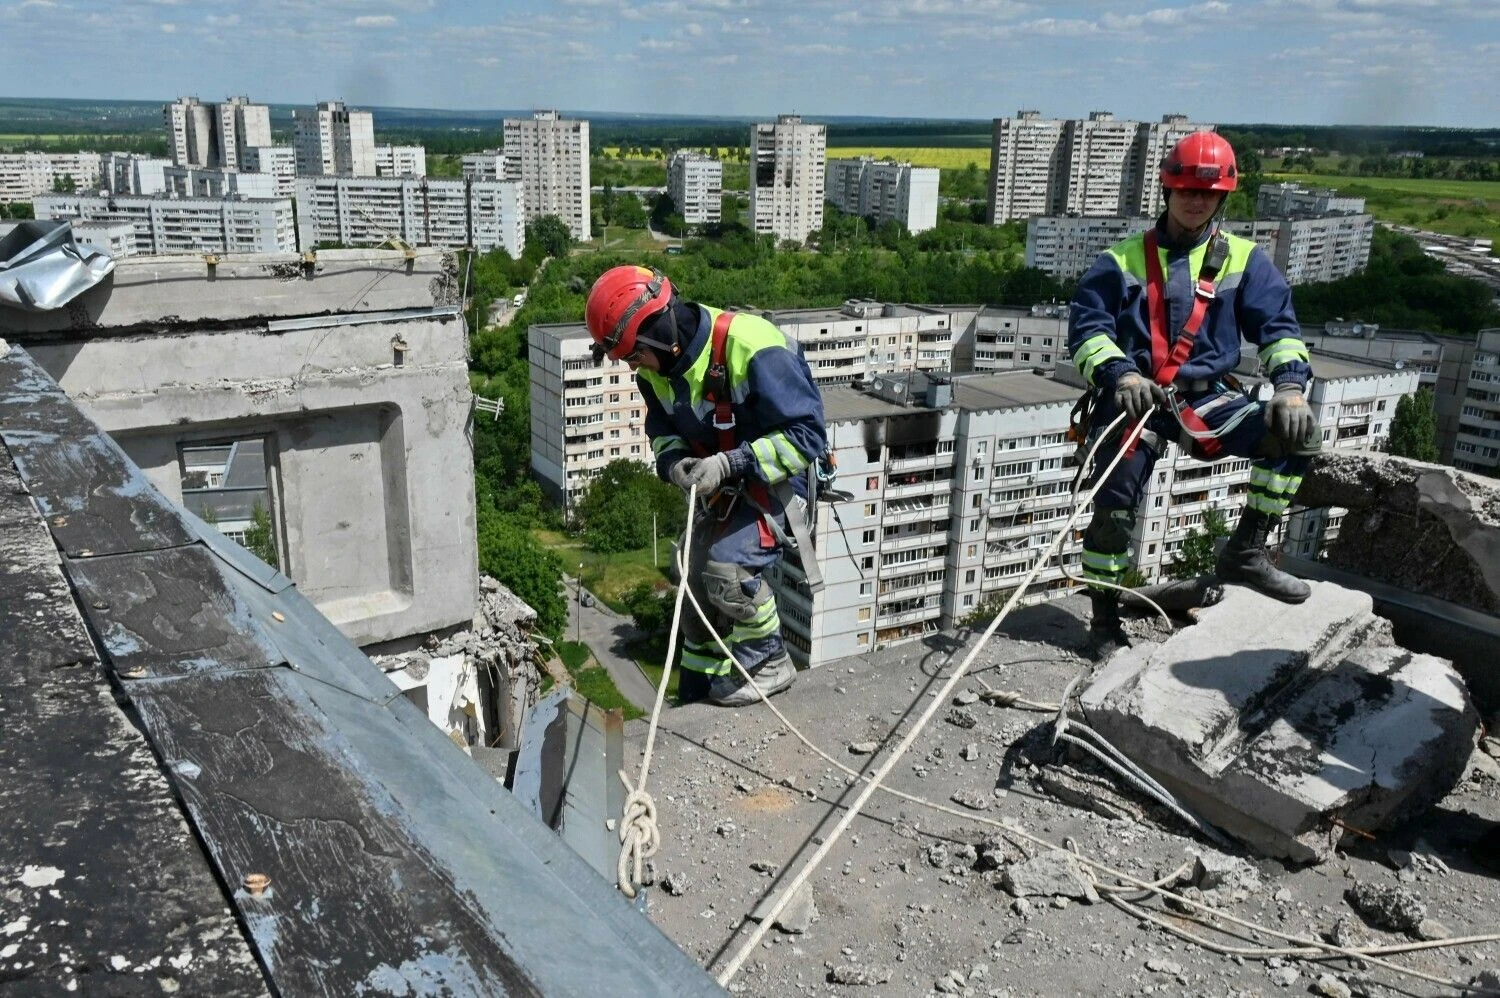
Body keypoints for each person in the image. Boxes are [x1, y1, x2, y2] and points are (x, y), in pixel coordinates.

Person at [1067, 131, 1320, 656]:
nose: (1194, 199)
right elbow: (1087, 332)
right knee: (1113, 512)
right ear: (1167, 189)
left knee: (1297, 435)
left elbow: (1279, 328)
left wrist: (1290, 388)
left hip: (1206, 398)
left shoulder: (1246, 261)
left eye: (1206, 192)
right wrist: (1120, 374)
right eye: (1185, 189)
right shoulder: (1121, 261)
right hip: (1134, 400)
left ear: (1222, 197)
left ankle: (1246, 551)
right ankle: (1104, 618)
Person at [584, 265, 827, 706]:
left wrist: (730, 463)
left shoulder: (752, 347)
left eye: (634, 355)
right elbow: (662, 429)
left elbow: (807, 437)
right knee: (694, 582)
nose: (633, 366)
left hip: (774, 477)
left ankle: (769, 660)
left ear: (660, 332)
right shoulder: (655, 368)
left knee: (727, 571)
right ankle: (699, 684)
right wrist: (674, 461)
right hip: (723, 484)